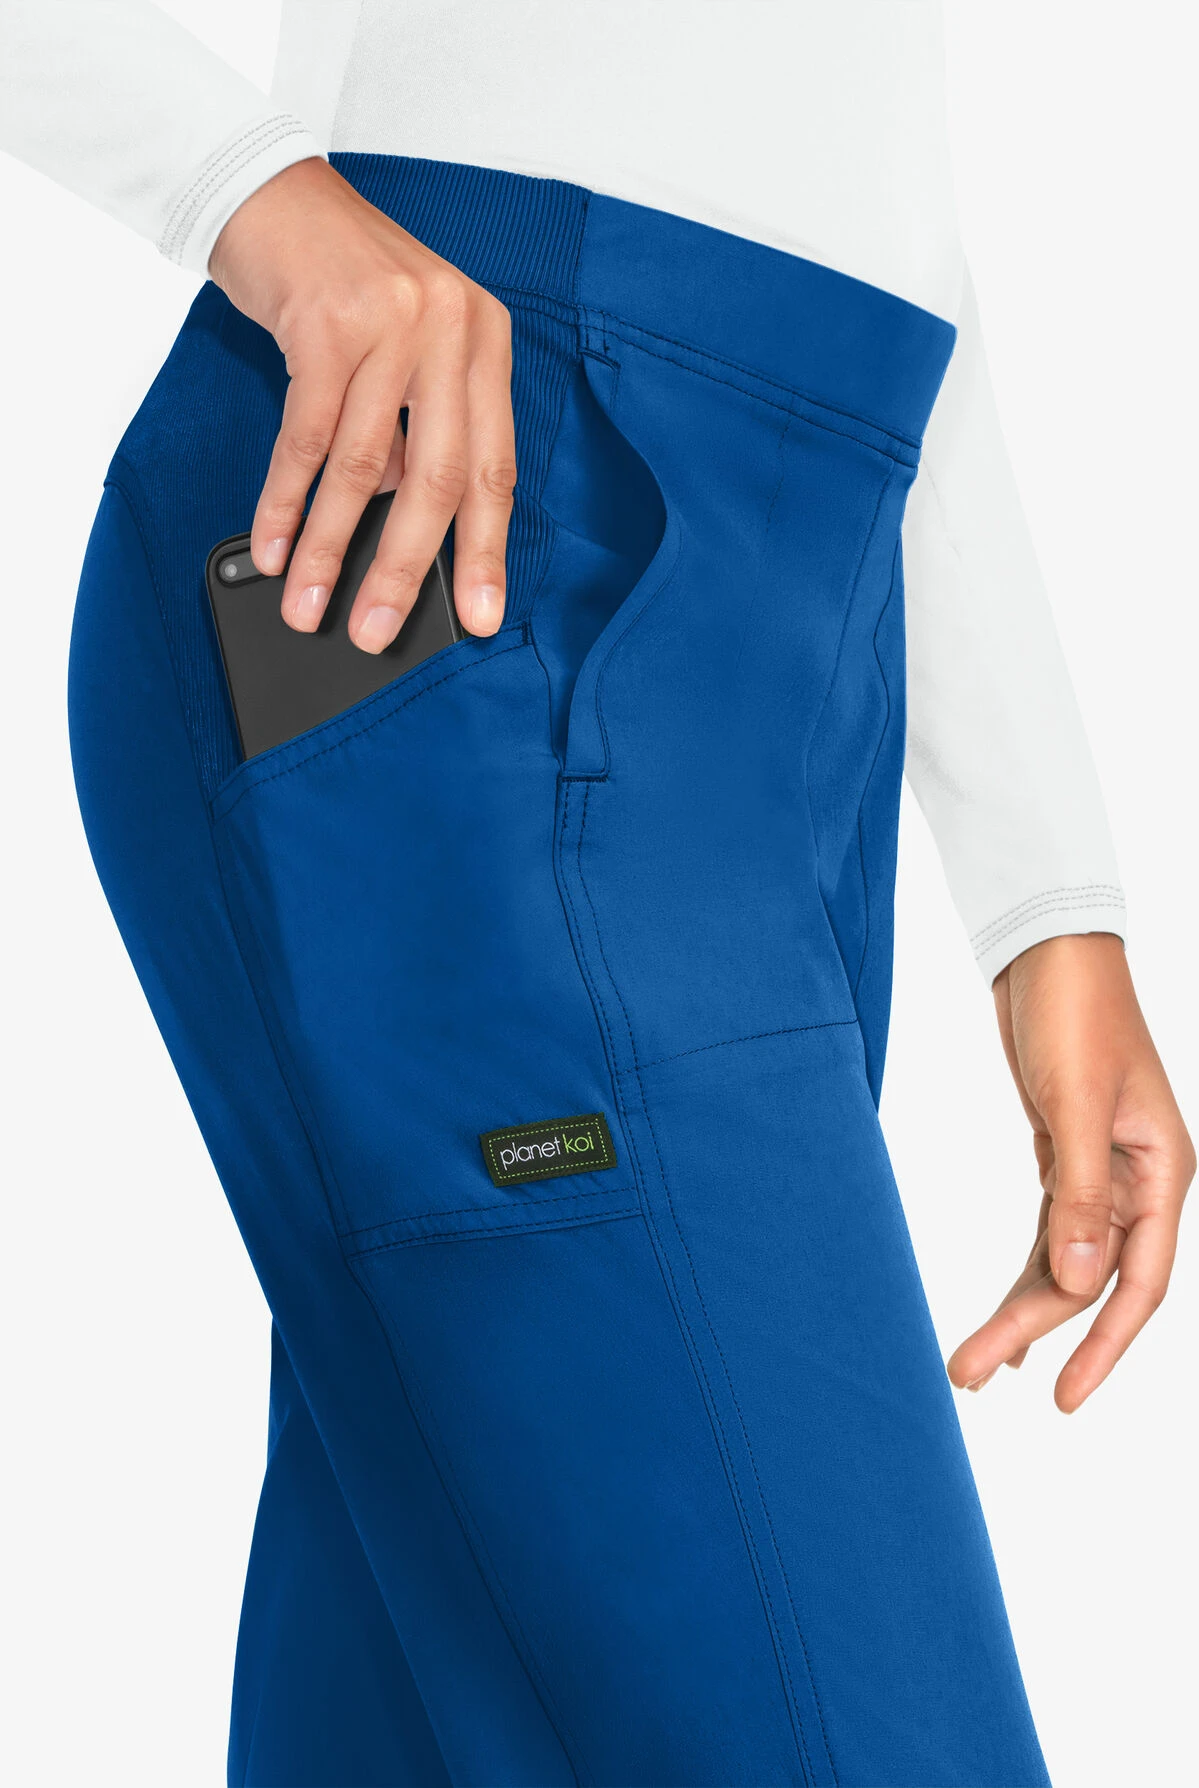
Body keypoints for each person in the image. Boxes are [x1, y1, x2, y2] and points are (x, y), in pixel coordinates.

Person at [2, 5, 1191, 1785]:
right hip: (459, 527)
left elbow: (849, 139)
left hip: (796, 610)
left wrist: (1044, 896)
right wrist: (247, 193)